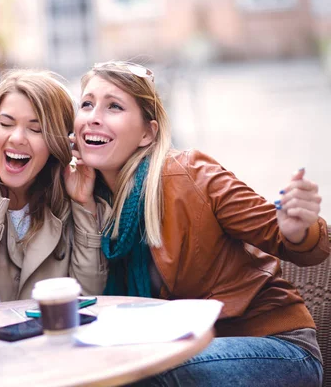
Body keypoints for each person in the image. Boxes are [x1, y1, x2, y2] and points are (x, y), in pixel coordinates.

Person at [71, 60, 330, 386]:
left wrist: (297, 231)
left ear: (147, 134)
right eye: (86, 103)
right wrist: (81, 205)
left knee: (140, 376)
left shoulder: (189, 174)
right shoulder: (83, 193)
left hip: (273, 347)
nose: (94, 116)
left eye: (114, 107)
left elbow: (289, 238)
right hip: (176, 350)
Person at [0, 69, 107, 302]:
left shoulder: (69, 192)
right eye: (6, 124)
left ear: (58, 140)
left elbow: (89, 295)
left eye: (36, 129)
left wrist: (84, 205)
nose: (17, 138)